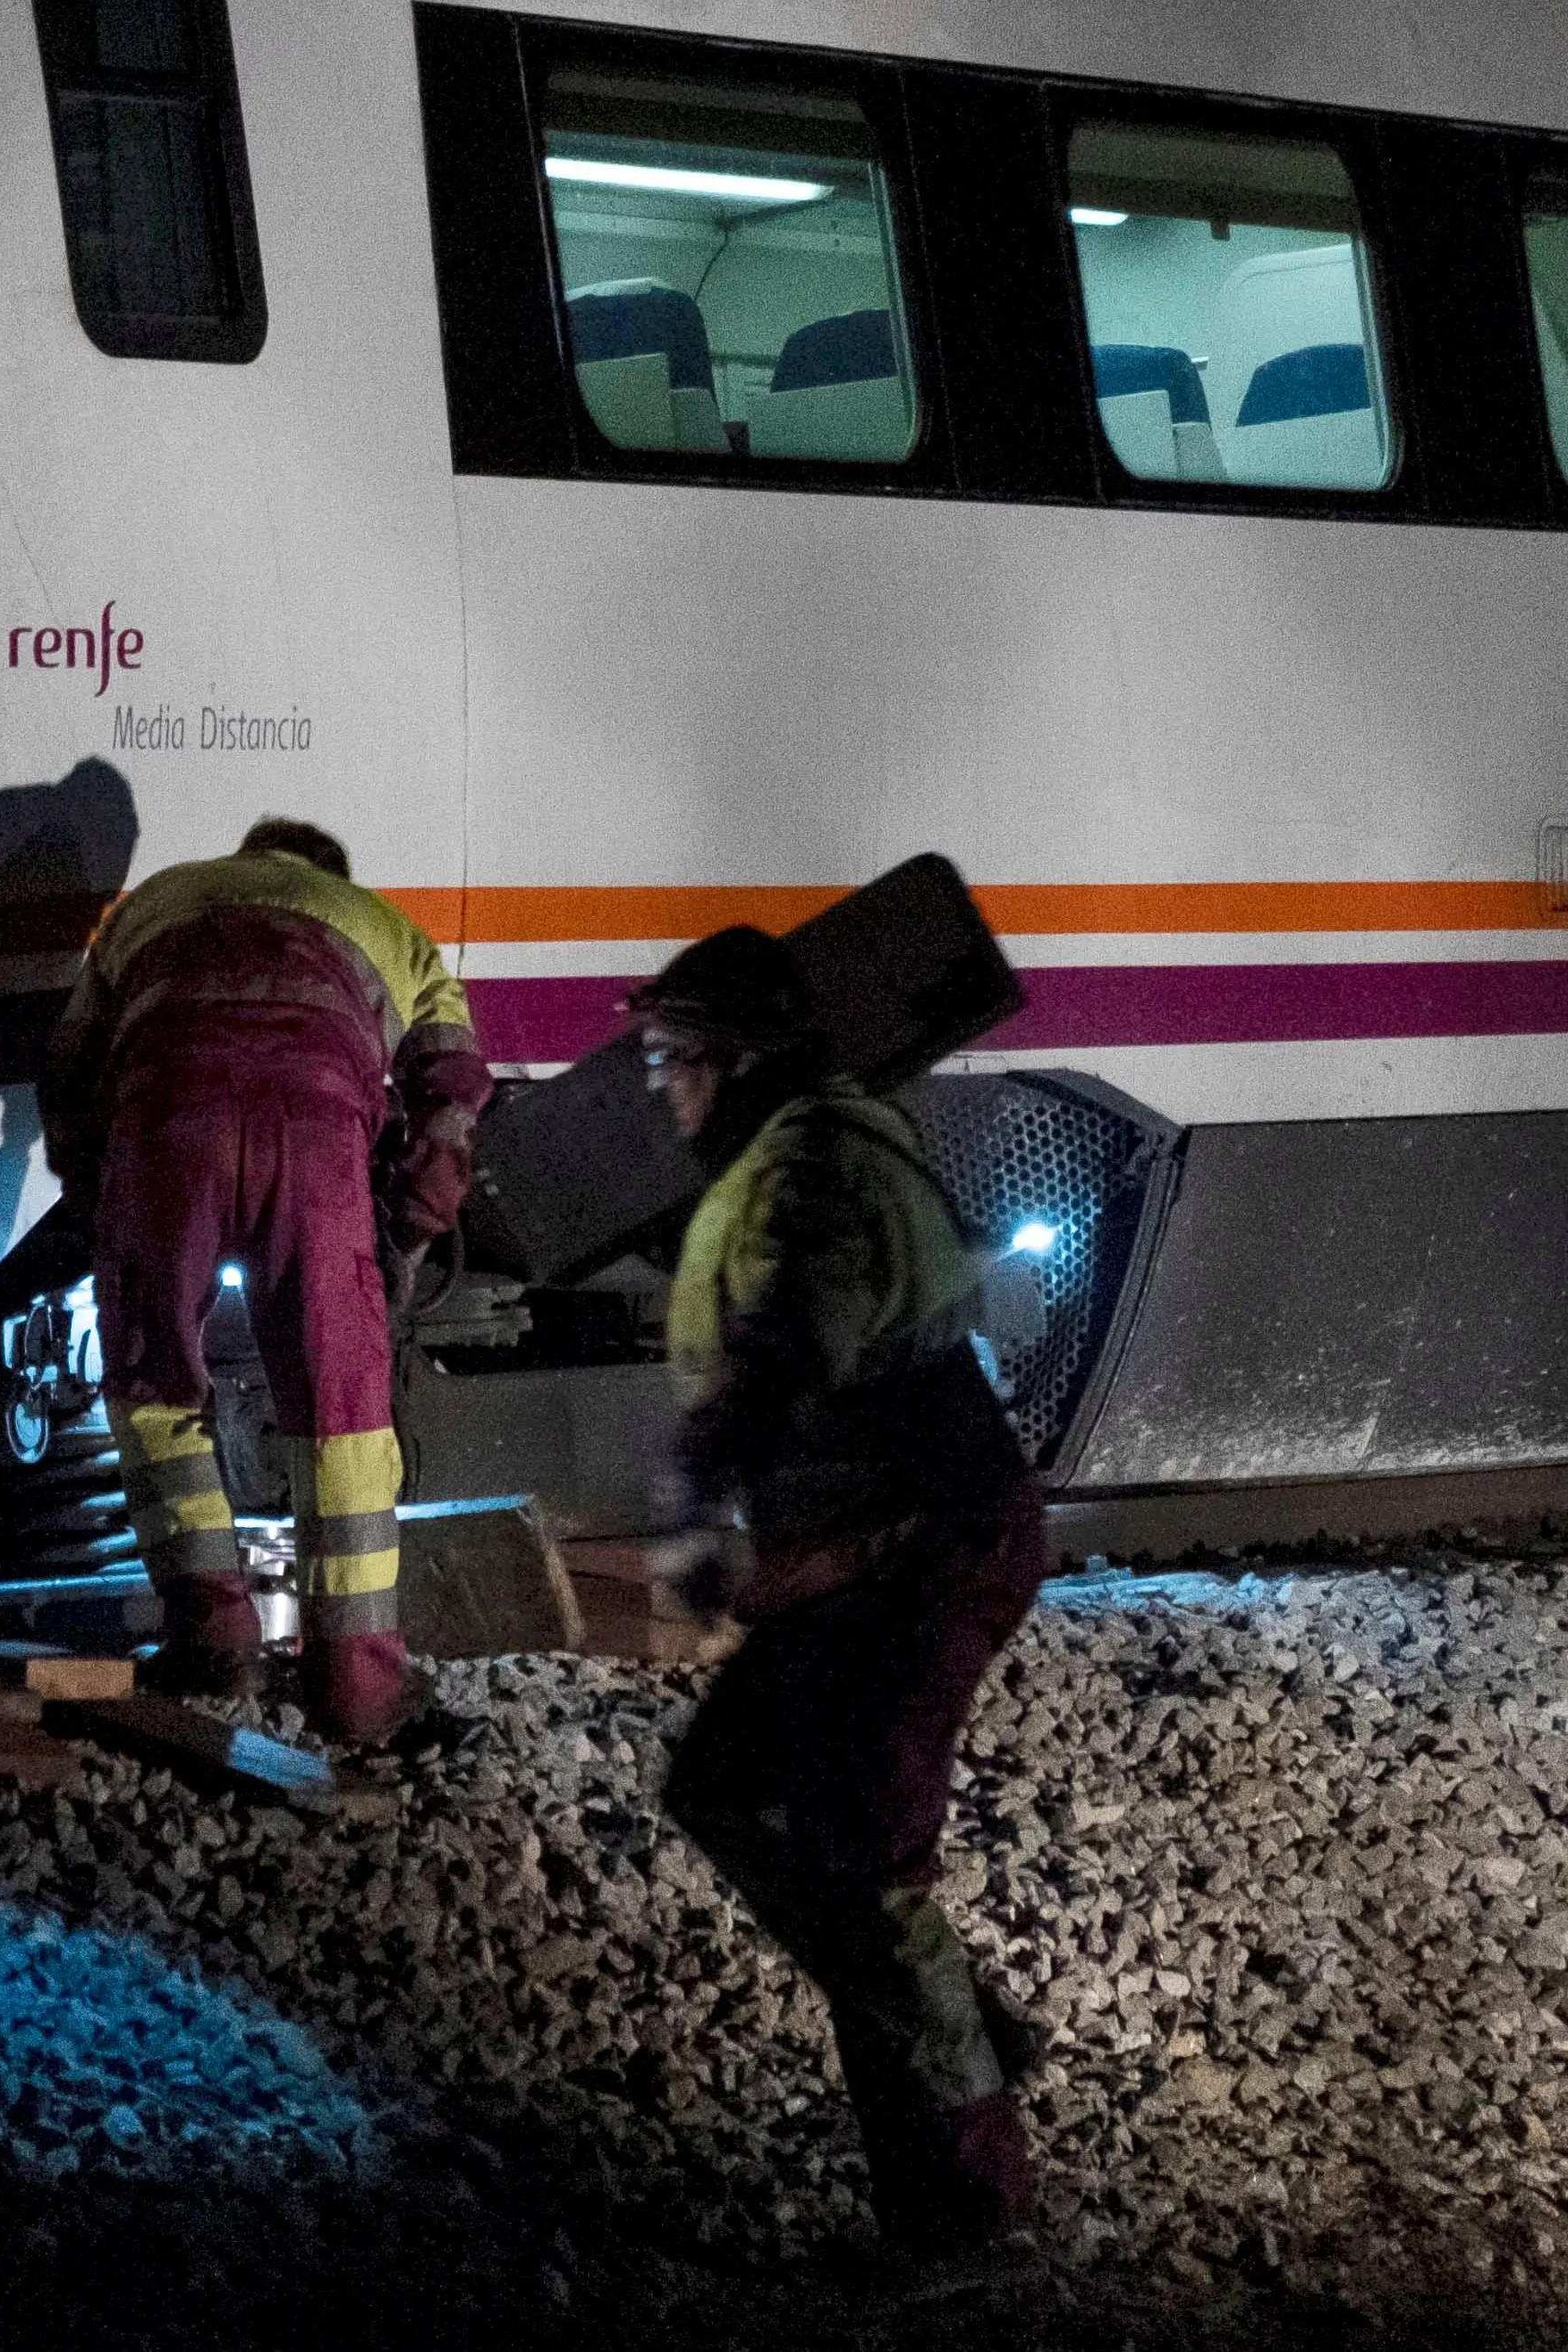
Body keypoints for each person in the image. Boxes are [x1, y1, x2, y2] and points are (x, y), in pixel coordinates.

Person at [629, 921, 1056, 2261]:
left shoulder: (811, 1167)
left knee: (869, 1880)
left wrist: (701, 1491)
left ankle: (968, 2212)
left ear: (736, 1056)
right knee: (727, 1789)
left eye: (672, 1057)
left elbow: (789, 1341)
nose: (659, 1086)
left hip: (923, 1548)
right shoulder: (803, 1146)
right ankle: (952, 2021)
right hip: (867, 1554)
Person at [38, 816, 487, 1744]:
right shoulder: (385, 925)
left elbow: (67, 1064)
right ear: (332, 872)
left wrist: (103, 1204)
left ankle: (212, 1644)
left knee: (156, 1387)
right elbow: (451, 1094)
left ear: (249, 859)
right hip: (315, 1141)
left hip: (165, 1129)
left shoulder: (151, 906)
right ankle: (360, 1693)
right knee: (343, 1414)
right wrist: (406, 1232)